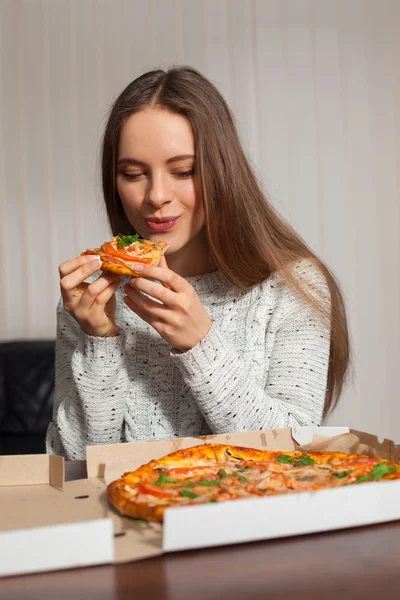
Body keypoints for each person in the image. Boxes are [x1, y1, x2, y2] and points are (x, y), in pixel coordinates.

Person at [46, 66, 350, 460]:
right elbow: (71, 466)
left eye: (184, 171)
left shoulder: (293, 286)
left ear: (222, 170)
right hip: (125, 517)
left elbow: (295, 453)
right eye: (133, 173)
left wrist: (200, 343)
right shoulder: (88, 302)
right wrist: (99, 341)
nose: (156, 195)